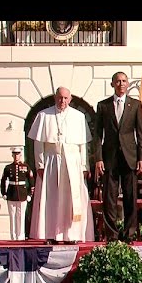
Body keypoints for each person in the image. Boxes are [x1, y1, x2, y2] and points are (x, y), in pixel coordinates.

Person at [27, 86, 94, 243]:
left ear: (70, 99)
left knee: (71, 200)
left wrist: (85, 166)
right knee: (52, 200)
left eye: (65, 98)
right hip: (51, 163)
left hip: (73, 163)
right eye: (59, 98)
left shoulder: (78, 117)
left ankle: (72, 235)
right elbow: (39, 143)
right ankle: (51, 234)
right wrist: (40, 165)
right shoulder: (44, 115)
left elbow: (83, 145)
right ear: (55, 98)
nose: (62, 101)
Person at [94, 71, 142, 243]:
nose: (121, 84)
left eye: (124, 81)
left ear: (128, 84)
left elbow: (140, 134)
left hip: (130, 158)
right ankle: (112, 236)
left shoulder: (136, 105)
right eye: (118, 81)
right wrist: (98, 158)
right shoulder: (103, 106)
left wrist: (141, 158)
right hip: (110, 159)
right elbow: (97, 135)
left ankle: (130, 234)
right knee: (109, 200)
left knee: (131, 199)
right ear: (112, 84)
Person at [0, 147, 35, 241]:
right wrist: (4, 193)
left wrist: (29, 194)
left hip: (22, 194)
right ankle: (13, 236)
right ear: (12, 155)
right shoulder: (8, 168)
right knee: (12, 216)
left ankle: (20, 236)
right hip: (11, 194)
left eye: (18, 154)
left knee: (21, 216)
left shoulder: (26, 167)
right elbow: (3, 181)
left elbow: (31, 181)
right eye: (14, 154)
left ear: (20, 155)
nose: (16, 156)